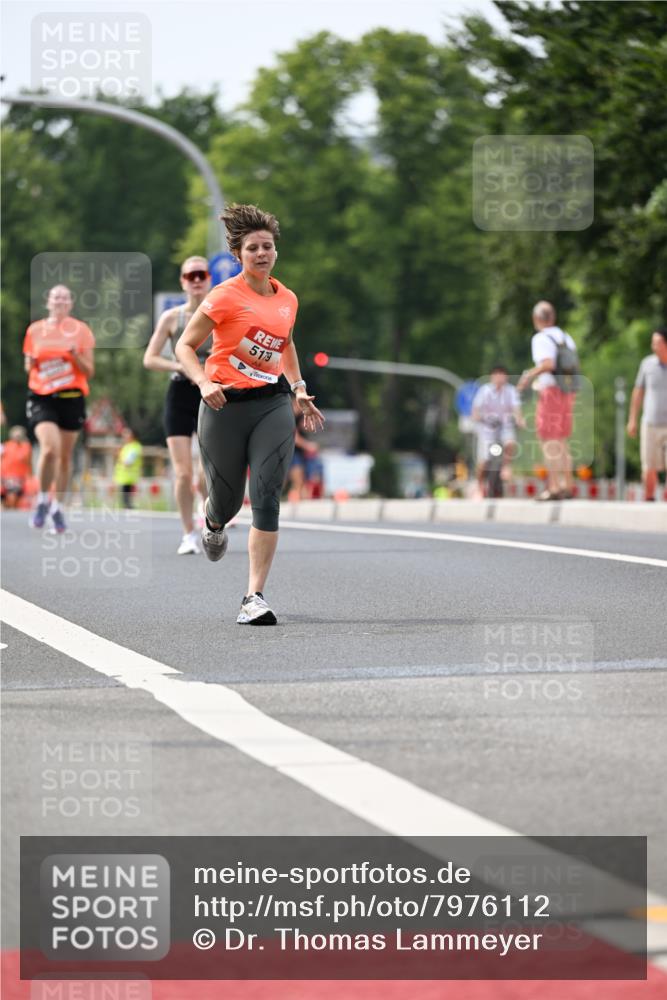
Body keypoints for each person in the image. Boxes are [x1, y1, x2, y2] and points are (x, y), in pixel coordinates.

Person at [175, 203, 324, 625]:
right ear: (239, 255)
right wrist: (204, 383)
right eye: (253, 248)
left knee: (266, 495)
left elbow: (286, 344)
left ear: (276, 251)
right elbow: (185, 347)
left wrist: (298, 389)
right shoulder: (223, 296)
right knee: (226, 500)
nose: (262, 254)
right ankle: (213, 521)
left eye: (268, 247)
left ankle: (253, 597)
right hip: (223, 406)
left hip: (272, 403)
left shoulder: (287, 299)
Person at [143, 257, 211, 554]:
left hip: (210, 392)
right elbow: (149, 358)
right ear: (183, 281)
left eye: (201, 274)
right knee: (183, 472)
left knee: (206, 471)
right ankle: (188, 534)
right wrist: (179, 365)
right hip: (180, 393)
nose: (196, 280)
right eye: (190, 275)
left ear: (209, 279)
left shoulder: (219, 314)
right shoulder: (172, 318)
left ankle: (207, 512)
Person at [23, 284, 95, 531]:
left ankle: (58, 506)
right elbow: (27, 367)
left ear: (71, 303)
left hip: (72, 397)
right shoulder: (35, 330)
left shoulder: (81, 331)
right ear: (48, 302)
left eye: (65, 298)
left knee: (65, 457)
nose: (60, 301)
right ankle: (42, 498)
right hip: (42, 396)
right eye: (56, 298)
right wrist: (31, 363)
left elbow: (89, 370)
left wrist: (75, 355)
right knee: (50, 449)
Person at [517, 301, 577, 501]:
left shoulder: (541, 338)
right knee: (562, 440)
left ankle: (554, 487)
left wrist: (528, 376)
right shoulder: (566, 338)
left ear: (537, 319)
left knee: (548, 440)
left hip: (551, 391)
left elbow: (548, 364)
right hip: (568, 391)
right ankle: (567, 485)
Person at [627, 326, 667, 501]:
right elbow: (638, 393)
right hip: (650, 423)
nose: (653, 346)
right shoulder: (647, 364)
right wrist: (632, 420)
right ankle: (649, 498)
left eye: (657, 343)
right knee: (649, 467)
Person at [471, 365, 524, 496]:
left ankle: (506, 466)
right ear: (492, 377)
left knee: (510, 442)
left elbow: (516, 408)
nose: (500, 378)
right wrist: (479, 418)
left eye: (502, 375)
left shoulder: (511, 391)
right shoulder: (485, 390)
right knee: (483, 461)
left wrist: (520, 420)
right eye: (497, 374)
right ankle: (479, 486)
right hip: (487, 428)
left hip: (505, 425)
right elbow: (476, 410)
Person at [288, 397, 324, 500]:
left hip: (300, 451)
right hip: (292, 451)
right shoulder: (289, 416)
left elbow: (307, 427)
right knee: (298, 478)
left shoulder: (300, 416)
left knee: (304, 479)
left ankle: (300, 498)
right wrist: (308, 446)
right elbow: (294, 436)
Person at [1, 426, 33, 508]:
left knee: (14, 496)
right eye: (16, 435)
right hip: (5, 477)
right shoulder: (5, 446)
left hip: (20, 478)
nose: (17, 437)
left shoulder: (26, 446)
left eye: (19, 435)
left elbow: (25, 460)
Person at [113, 427, 143, 508]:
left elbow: (128, 462)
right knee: (124, 498)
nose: (124, 436)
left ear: (133, 435)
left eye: (127, 434)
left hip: (129, 477)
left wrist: (119, 456)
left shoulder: (135, 447)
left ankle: (129, 508)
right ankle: (127, 507)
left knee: (127, 499)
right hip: (124, 477)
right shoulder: (127, 446)